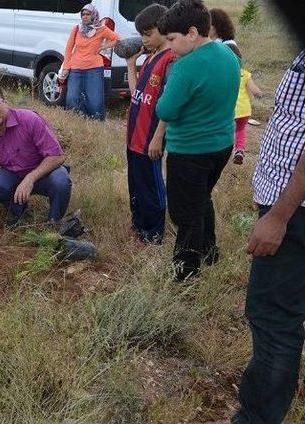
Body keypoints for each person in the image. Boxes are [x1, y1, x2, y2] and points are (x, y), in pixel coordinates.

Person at [233, 50, 305, 424]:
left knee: (274, 321)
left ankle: (256, 418)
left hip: (294, 211)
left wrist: (279, 215)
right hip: (289, 206)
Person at [155, 0, 240, 281]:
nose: (169, 47)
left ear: (192, 33)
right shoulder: (228, 54)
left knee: (184, 214)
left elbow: (165, 110)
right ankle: (209, 251)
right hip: (221, 146)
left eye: (171, 39)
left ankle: (185, 274)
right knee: (202, 199)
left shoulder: (186, 67)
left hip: (190, 150)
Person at [0, 85, 71, 232]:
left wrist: (30, 179)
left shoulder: (29, 120)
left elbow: (57, 156)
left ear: (5, 102)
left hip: (43, 173)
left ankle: (53, 225)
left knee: (60, 180)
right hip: (14, 175)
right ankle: (18, 211)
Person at [125, 3, 175, 244]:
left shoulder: (170, 60)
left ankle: (153, 235)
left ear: (164, 30)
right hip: (134, 137)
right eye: (141, 34)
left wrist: (158, 137)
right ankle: (138, 226)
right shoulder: (150, 58)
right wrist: (131, 64)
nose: (143, 39)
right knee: (136, 185)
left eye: (148, 33)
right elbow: (137, 94)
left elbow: (169, 104)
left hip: (150, 138)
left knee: (151, 187)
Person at [209, 8, 263, 165]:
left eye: (209, 25)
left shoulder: (226, 47)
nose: (206, 29)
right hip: (241, 107)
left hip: (230, 106)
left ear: (217, 26)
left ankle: (222, 152)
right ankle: (237, 150)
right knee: (238, 131)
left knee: (224, 133)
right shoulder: (227, 47)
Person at [59, 3, 120, 121]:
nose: (85, 16)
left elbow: (118, 39)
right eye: (83, 14)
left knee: (95, 100)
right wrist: (66, 66)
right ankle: (76, 121)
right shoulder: (77, 28)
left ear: (94, 15)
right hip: (76, 69)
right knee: (72, 98)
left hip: (94, 69)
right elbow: (68, 48)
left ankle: (95, 123)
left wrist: (104, 46)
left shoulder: (101, 29)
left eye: (88, 14)